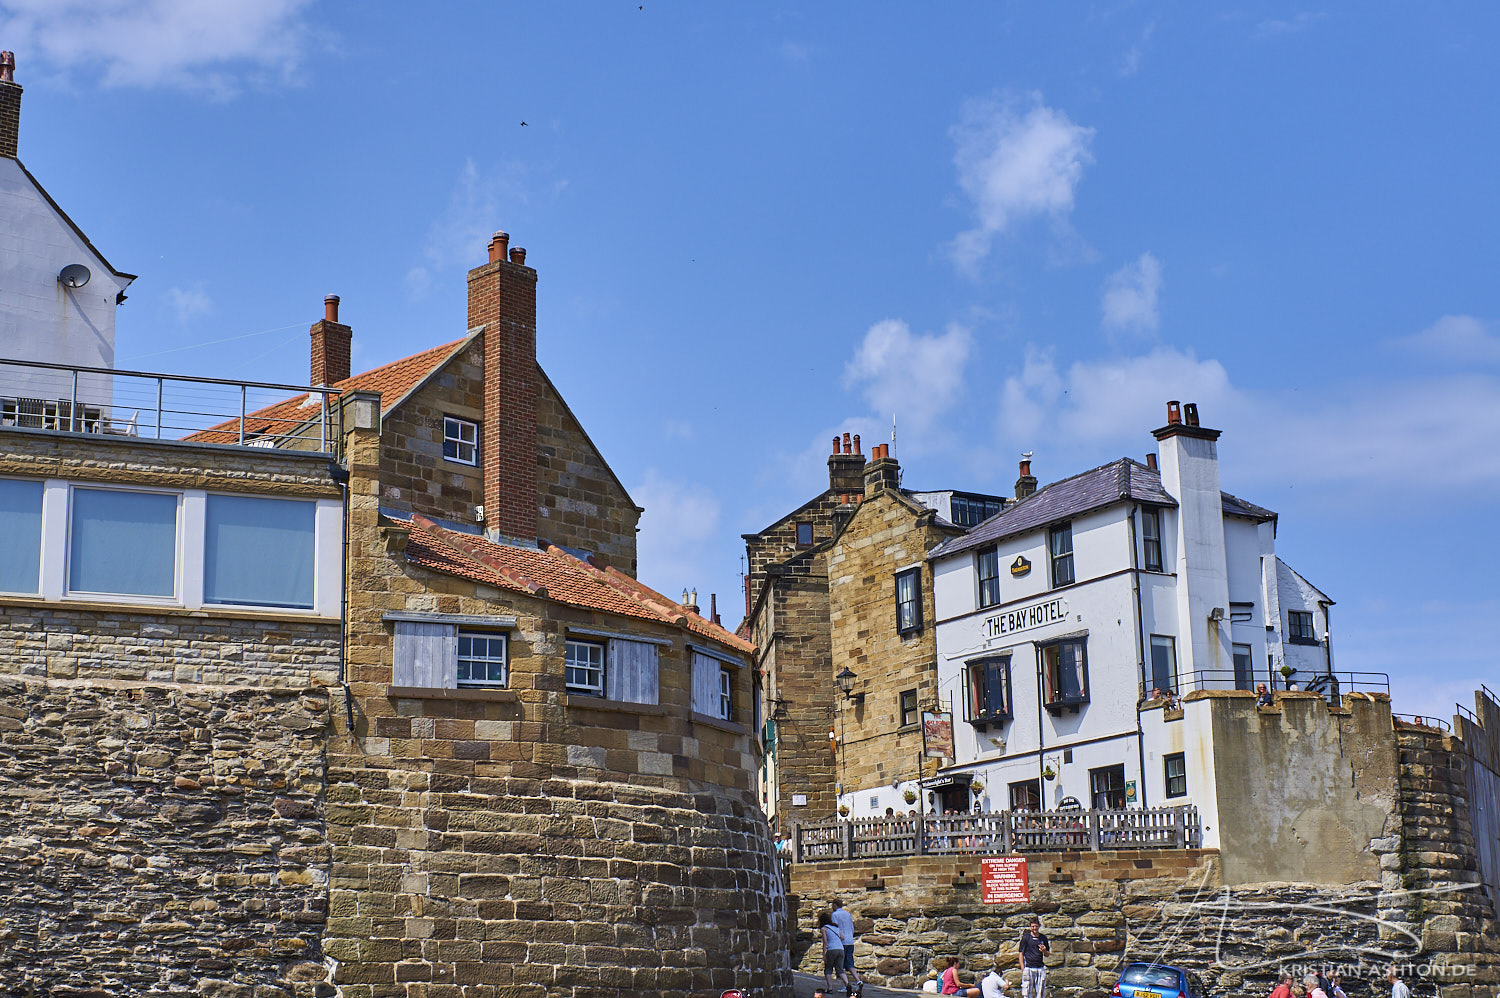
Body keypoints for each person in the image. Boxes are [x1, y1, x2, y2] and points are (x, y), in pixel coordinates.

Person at [831, 898, 861, 990]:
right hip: (849, 941)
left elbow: (835, 928)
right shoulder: (847, 914)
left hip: (840, 942)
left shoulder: (835, 915)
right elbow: (852, 927)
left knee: (840, 965)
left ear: (835, 905)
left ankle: (846, 984)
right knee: (849, 963)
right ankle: (858, 980)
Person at [819, 911, 848, 995]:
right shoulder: (836, 927)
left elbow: (825, 942)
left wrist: (824, 954)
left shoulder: (824, 929)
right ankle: (847, 985)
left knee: (828, 969)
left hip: (831, 949)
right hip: (840, 949)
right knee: (840, 969)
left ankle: (830, 988)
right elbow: (842, 937)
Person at [1019, 917, 1049, 998]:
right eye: (1032, 926)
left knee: (1040, 993)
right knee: (1027, 993)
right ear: (1030, 927)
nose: (1034, 928)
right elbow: (1021, 953)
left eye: (1036, 926)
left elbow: (1047, 954)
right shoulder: (1026, 938)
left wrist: (1044, 951)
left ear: (1039, 926)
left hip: (1040, 968)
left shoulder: (1043, 938)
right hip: (1029, 968)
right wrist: (1023, 968)